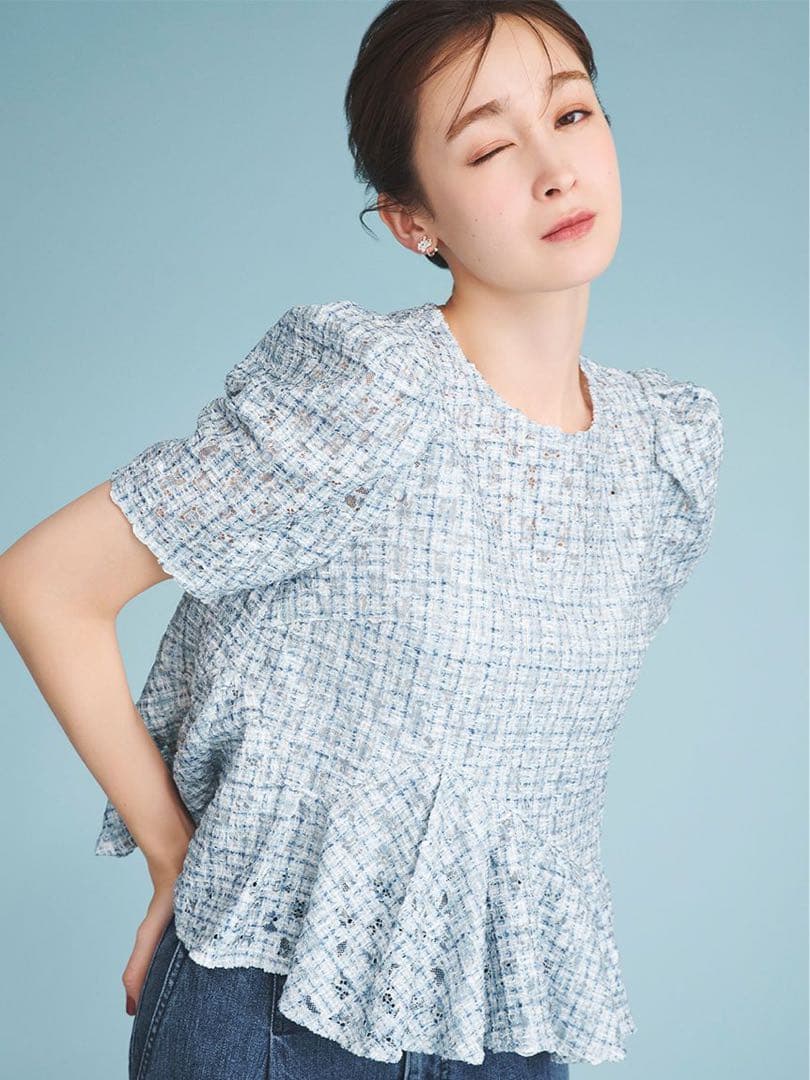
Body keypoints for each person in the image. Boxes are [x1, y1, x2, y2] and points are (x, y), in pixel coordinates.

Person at [0, 2, 725, 1078]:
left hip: (504, 1024)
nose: (554, 170)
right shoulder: (371, 391)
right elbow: (46, 583)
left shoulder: (662, 448)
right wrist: (172, 856)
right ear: (412, 222)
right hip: (274, 1012)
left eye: (572, 115)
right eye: (489, 146)